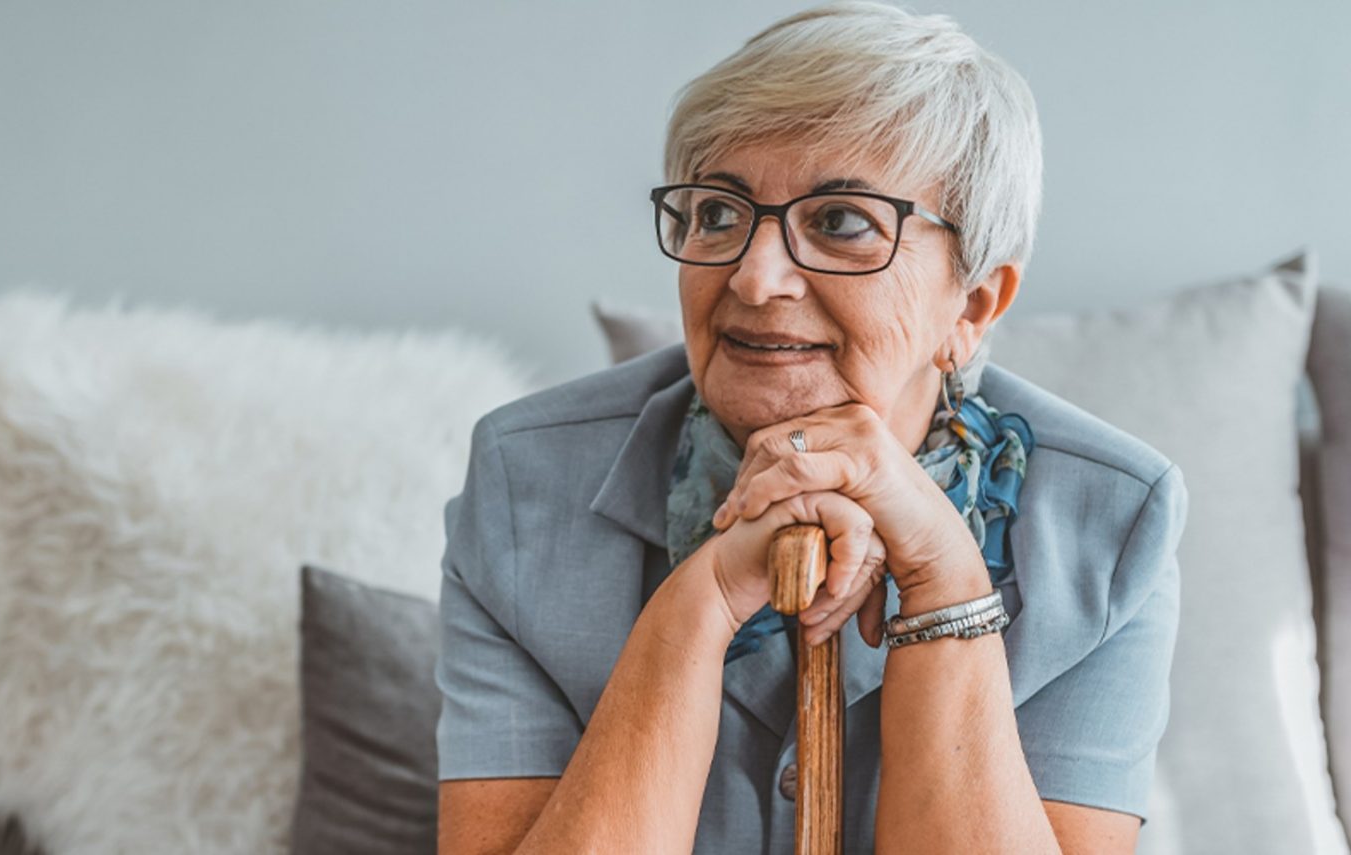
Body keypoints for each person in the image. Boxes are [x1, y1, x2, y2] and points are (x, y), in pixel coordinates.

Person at [433, 3, 1187, 853]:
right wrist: (705, 598)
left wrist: (944, 581)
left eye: (840, 222)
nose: (754, 279)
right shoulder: (524, 483)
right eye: (717, 212)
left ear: (972, 305)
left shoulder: (1111, 522)